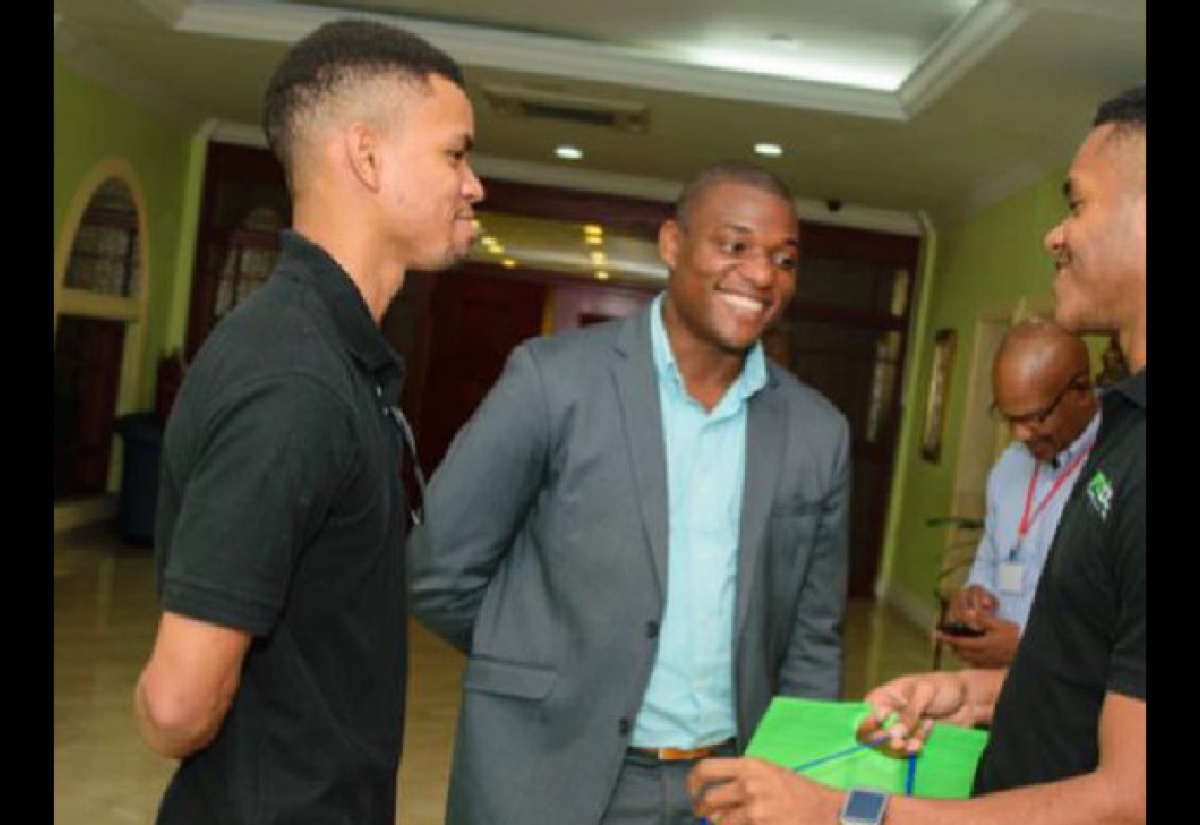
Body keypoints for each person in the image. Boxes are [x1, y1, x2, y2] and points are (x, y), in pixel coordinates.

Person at [688, 82, 1144, 825]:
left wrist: (846, 810)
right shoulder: (1126, 430)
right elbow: (1105, 679)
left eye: (1077, 203)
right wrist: (971, 691)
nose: (1054, 235)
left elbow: (1130, 799)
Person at [409, 160, 852, 825]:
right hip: (554, 768)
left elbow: (813, 640)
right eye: (734, 245)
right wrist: (546, 660)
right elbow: (437, 568)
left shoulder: (819, 433)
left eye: (784, 259)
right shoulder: (551, 381)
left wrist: (797, 778)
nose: (761, 276)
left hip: (730, 785)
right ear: (673, 245)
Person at [132, 19, 483, 824]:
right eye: (454, 154)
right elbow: (178, 704)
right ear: (366, 155)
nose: (473, 184)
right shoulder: (294, 381)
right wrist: (155, 709)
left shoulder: (330, 353)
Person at [936, 317, 1101, 669]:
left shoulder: (1121, 468)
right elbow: (991, 559)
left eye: (1034, 418)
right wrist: (975, 597)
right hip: (996, 695)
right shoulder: (1009, 467)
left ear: (1081, 391)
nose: (1019, 435)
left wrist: (1028, 647)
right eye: (1008, 417)